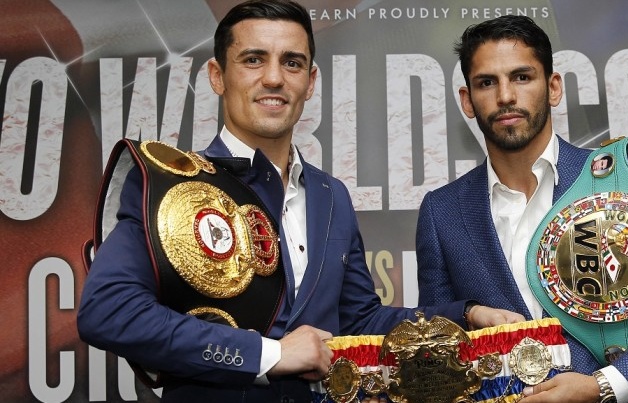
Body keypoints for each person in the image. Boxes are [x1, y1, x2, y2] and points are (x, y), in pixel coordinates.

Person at [77, 1, 522, 402]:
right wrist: (266, 355)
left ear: (310, 82)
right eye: (253, 60)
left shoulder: (332, 196)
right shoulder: (167, 184)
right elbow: (108, 311)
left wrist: (465, 316)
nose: (274, 77)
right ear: (218, 76)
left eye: (292, 63)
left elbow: (359, 320)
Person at [415, 15, 628, 403]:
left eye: (522, 77)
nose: (505, 97)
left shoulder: (618, 176)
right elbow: (437, 343)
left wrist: (604, 386)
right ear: (468, 101)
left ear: (552, 88)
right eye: (487, 82)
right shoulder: (442, 211)